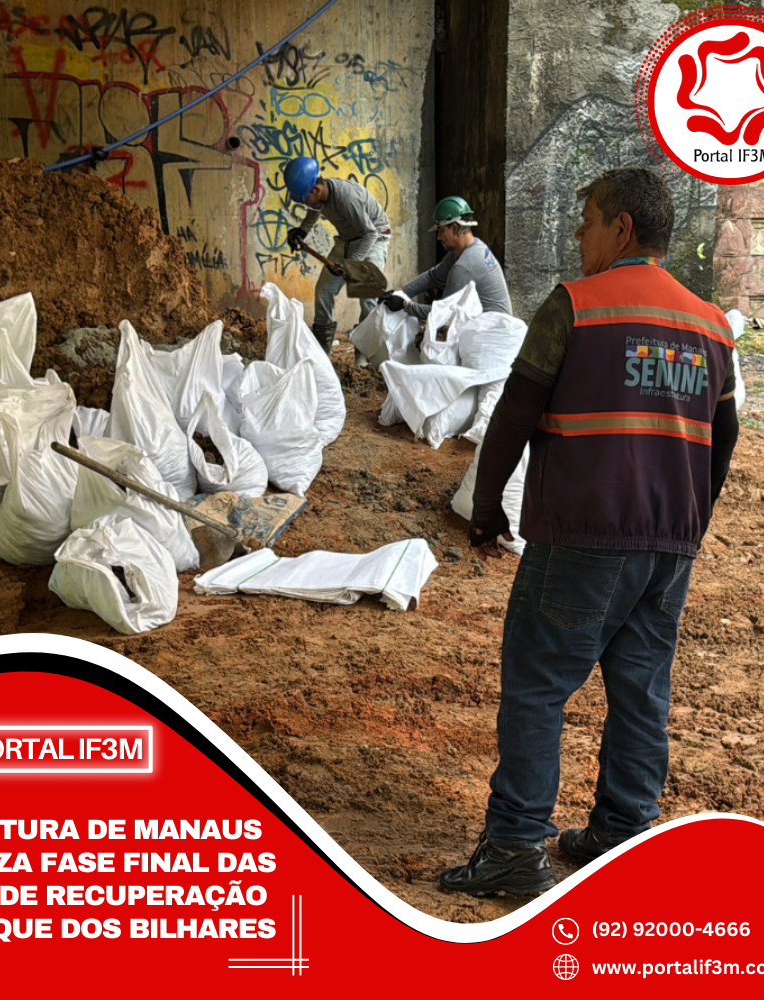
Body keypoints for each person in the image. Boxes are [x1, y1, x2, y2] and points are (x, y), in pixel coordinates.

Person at [440, 167, 739, 897]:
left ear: (622, 228)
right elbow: (724, 437)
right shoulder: (711, 323)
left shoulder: (575, 305)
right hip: (669, 542)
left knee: (538, 684)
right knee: (642, 690)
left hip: (584, 533)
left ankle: (515, 848)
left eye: (589, 221)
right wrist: (689, 518)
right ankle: (623, 835)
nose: (579, 236)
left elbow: (514, 412)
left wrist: (487, 508)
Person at [283, 156, 391, 354]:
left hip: (374, 238)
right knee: (324, 290)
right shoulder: (321, 196)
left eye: (304, 198)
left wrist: (351, 264)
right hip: (347, 239)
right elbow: (315, 209)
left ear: (317, 189)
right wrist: (302, 231)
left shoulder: (347, 199)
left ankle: (364, 355)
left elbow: (370, 233)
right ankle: (321, 350)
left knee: (367, 297)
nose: (304, 203)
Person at [382, 196, 513, 321]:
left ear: (454, 228)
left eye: (441, 231)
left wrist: (405, 305)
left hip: (491, 331)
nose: (439, 237)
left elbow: (443, 314)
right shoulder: (473, 246)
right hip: (490, 324)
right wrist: (400, 292)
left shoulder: (463, 267)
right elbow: (433, 276)